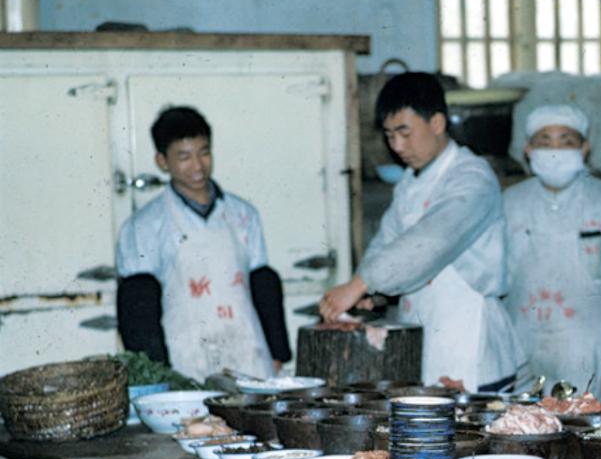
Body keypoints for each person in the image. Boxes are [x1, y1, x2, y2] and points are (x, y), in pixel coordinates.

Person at [319, 72, 523, 392]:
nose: (397, 146)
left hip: (470, 344)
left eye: (404, 132)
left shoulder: (472, 177)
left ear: (437, 123)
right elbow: (386, 242)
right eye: (389, 135)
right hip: (425, 335)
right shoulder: (410, 183)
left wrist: (361, 283)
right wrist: (372, 291)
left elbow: (431, 241)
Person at [115, 106, 290, 382]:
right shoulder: (143, 226)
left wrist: (277, 351)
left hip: (250, 355)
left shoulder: (243, 214)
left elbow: (262, 282)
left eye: (204, 152)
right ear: (162, 161)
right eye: (184, 156)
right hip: (185, 363)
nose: (198, 166)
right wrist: (158, 375)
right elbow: (138, 306)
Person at [503, 104, 601, 404]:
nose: (555, 150)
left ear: (584, 148)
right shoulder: (508, 204)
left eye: (566, 141)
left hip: (597, 362)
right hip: (523, 361)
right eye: (544, 141)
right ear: (527, 149)